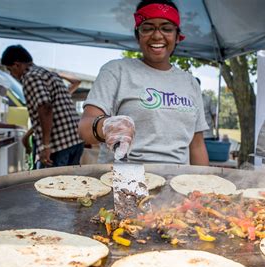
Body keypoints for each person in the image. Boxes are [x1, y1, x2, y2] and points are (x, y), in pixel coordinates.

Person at [78, 0, 209, 165]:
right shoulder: (116, 70)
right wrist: (105, 126)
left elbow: (197, 146)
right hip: (124, 181)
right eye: (147, 28)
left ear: (177, 36)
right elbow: (84, 128)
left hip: (176, 184)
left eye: (167, 28)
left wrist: (205, 183)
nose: (157, 35)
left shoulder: (190, 82)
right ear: (137, 35)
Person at [1, 45, 84, 168]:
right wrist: (28, 135)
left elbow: (45, 108)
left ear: (17, 65)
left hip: (59, 145)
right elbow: (51, 112)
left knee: (55, 185)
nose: (11, 74)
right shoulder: (50, 75)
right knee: (69, 183)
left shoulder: (30, 77)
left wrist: (45, 146)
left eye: (9, 70)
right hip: (76, 141)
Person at [21, 72, 82, 169]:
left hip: (54, 141)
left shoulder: (59, 95)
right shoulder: (54, 97)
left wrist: (58, 74)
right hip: (63, 139)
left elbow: (77, 81)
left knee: (47, 172)